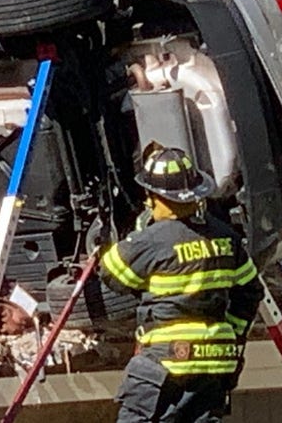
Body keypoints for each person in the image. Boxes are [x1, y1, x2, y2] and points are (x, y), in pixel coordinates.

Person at [99, 146, 265, 422]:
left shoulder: (152, 239)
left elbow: (111, 273)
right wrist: (233, 335)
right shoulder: (226, 238)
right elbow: (250, 292)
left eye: (151, 196)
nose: (148, 204)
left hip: (165, 362)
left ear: (164, 198)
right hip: (215, 363)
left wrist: (140, 236)